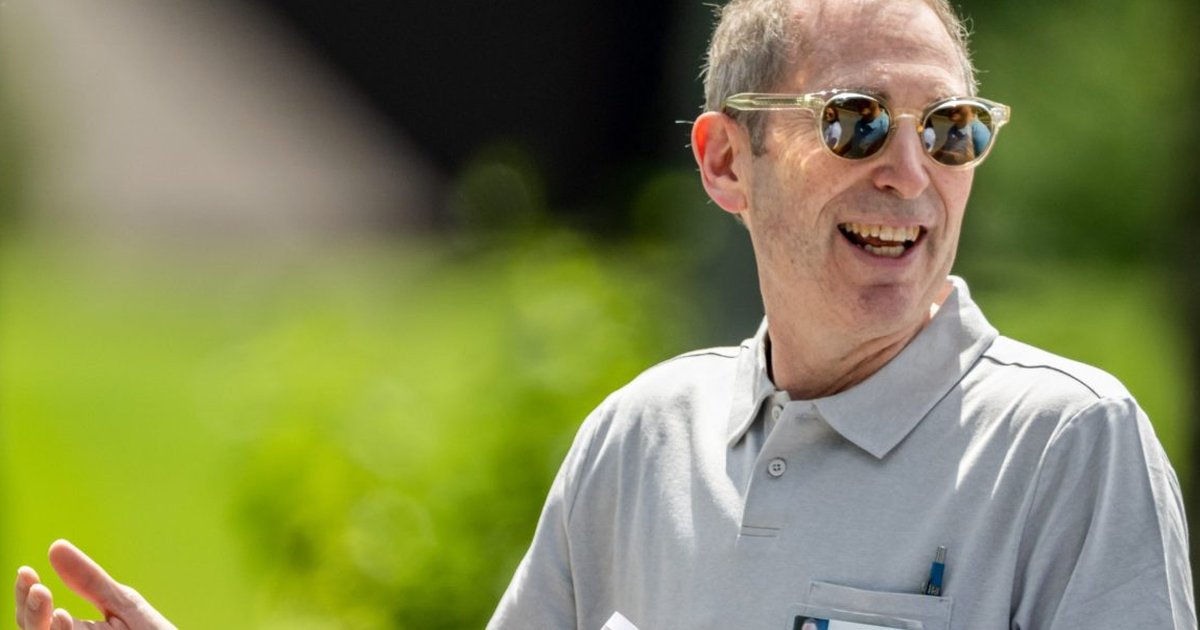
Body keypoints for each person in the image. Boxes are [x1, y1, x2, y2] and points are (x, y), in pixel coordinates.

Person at [12, 1, 1196, 629]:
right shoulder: (639, 439)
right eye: (853, 121)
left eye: (949, 130)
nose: (910, 170)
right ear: (728, 162)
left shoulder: (1069, 447)